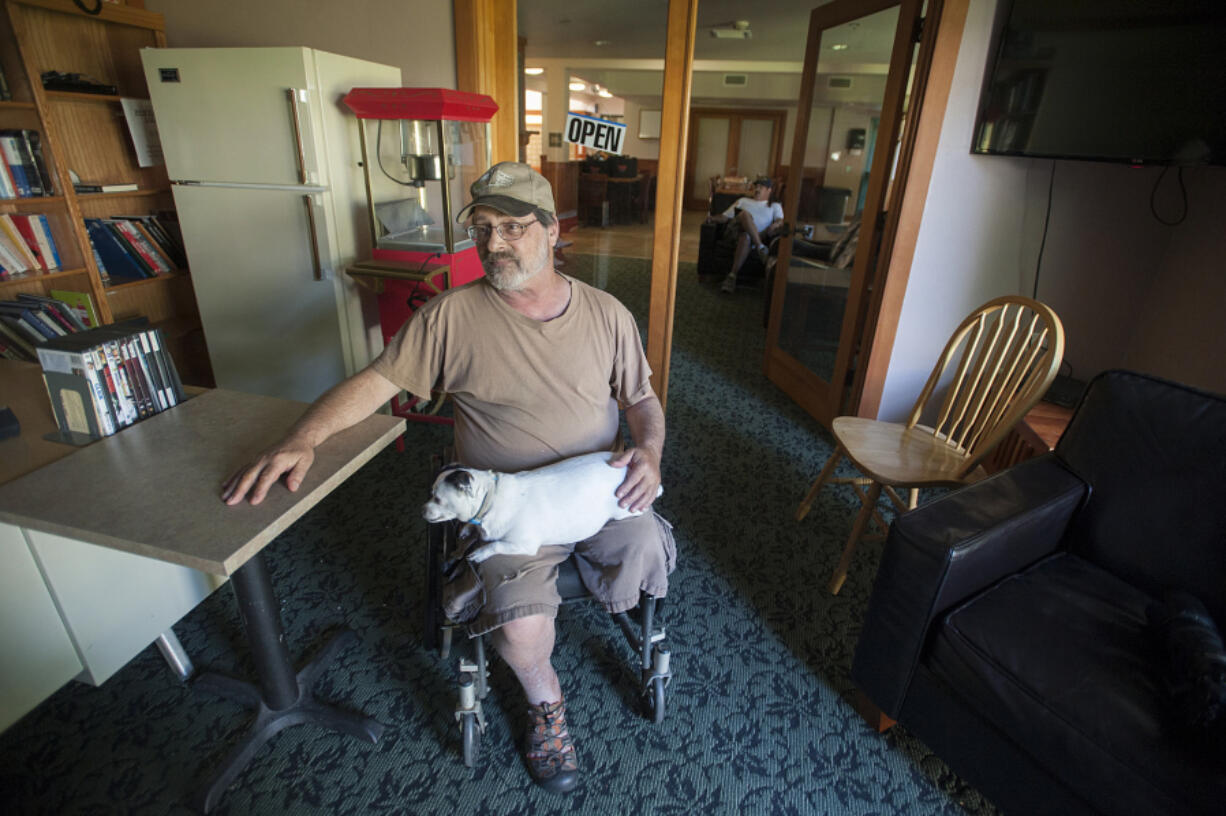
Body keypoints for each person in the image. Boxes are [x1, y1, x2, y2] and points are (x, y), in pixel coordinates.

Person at [220, 161, 673, 795]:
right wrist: (303, 438)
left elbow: (642, 402)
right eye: (483, 228)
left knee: (647, 550)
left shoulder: (607, 315)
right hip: (508, 508)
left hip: (598, 491)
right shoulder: (451, 318)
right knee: (518, 624)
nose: (493, 244)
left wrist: (648, 451)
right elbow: (374, 384)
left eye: (512, 228)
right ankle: (547, 704)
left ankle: (589, 604)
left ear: (550, 230)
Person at [705, 177, 785, 293]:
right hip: (734, 231)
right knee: (745, 215)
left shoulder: (774, 206)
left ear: (769, 190)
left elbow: (780, 220)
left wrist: (776, 225)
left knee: (746, 237)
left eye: (760, 187)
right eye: (756, 186)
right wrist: (712, 218)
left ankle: (731, 276)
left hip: (752, 236)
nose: (757, 189)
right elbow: (724, 217)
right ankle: (760, 248)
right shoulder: (743, 200)